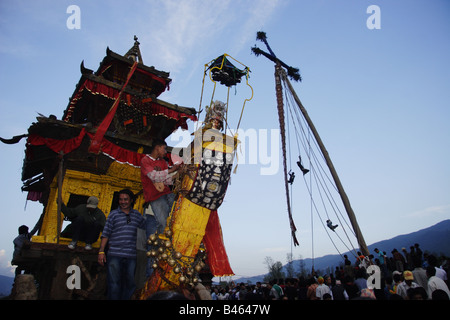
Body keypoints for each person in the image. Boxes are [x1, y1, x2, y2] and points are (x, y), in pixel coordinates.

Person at [98, 189, 145, 300]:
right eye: (121, 199)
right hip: (114, 254)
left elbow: (143, 233)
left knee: (130, 283)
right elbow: (106, 233)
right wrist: (101, 251)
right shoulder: (113, 214)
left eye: (126, 199)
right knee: (113, 283)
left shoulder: (138, 216)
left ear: (131, 200)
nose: (123, 202)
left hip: (131, 256)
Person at [140, 139, 181, 234]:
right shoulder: (145, 160)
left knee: (179, 212)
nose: (165, 152)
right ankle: (161, 244)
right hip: (155, 197)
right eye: (164, 149)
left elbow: (166, 180)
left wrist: (177, 174)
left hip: (167, 193)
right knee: (163, 223)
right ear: (157, 148)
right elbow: (153, 176)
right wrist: (171, 171)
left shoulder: (162, 162)